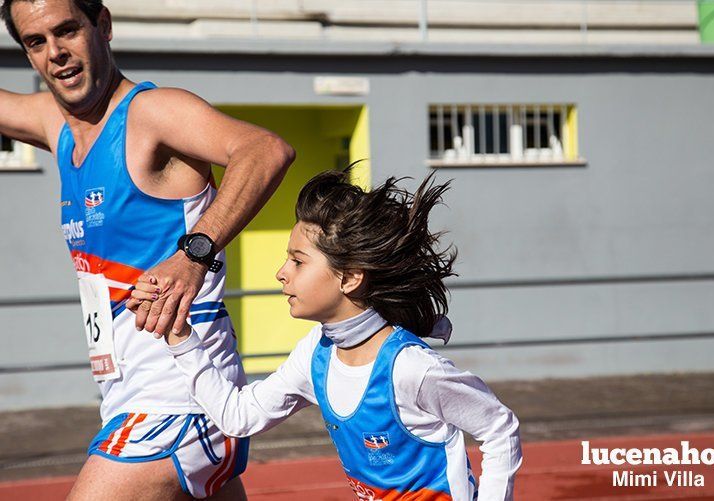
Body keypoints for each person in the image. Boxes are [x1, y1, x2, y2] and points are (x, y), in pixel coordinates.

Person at [0, 0, 295, 499]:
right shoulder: (57, 124)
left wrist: (194, 253)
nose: (56, 53)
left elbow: (265, 150)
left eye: (67, 30)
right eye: (36, 42)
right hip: (131, 396)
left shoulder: (152, 113)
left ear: (104, 25)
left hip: (176, 399)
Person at [133, 170, 523, 500]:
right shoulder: (314, 355)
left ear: (351, 277)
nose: (281, 273)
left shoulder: (412, 369)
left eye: (298, 261)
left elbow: (499, 428)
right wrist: (179, 335)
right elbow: (237, 416)